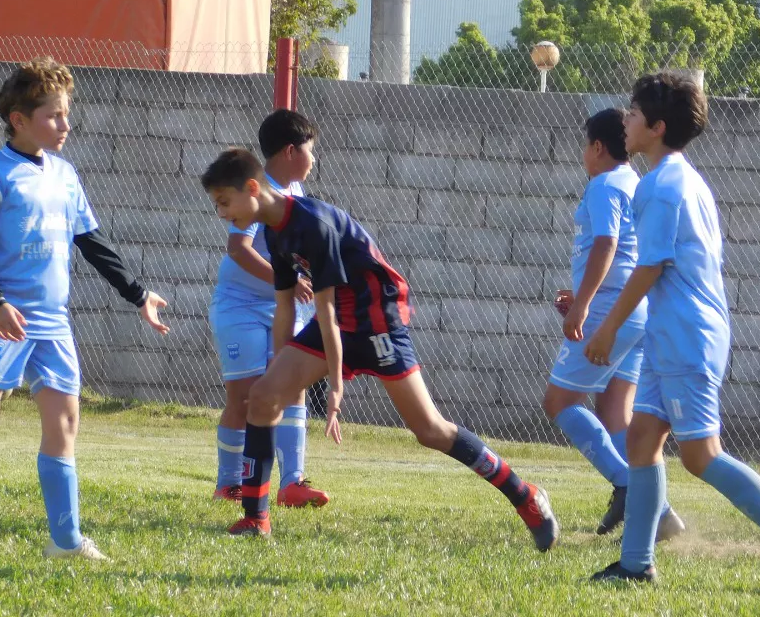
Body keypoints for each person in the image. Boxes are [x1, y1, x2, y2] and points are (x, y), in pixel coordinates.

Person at [200, 146, 559, 548]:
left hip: (376, 320)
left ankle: (525, 496)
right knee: (263, 397)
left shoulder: (312, 223)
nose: (222, 214)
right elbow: (285, 306)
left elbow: (330, 313)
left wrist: (334, 387)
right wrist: (282, 372)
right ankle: (255, 519)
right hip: (335, 321)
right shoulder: (272, 229)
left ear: (252, 188)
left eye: (224, 203)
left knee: (430, 430)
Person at [0, 58, 170, 560]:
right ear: (19, 120)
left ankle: (65, 542)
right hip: (1, 319)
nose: (65, 125)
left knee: (65, 423)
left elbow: (92, 243)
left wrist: (139, 295)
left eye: (67, 115)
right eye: (54, 116)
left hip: (52, 322)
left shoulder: (66, 176)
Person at [584, 72, 760, 589]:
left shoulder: (661, 187)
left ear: (655, 127)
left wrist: (607, 329)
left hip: (685, 337)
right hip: (672, 334)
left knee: (701, 456)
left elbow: (649, 267)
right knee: (642, 438)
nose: (624, 120)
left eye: (633, 113)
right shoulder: (685, 178)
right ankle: (636, 565)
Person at [543, 107, 684, 540]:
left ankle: (626, 486)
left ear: (597, 148)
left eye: (586, 147)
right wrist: (583, 292)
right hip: (635, 312)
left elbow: (607, 243)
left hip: (608, 313)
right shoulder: (636, 184)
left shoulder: (604, 185)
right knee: (615, 416)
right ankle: (658, 513)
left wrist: (583, 304)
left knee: (558, 402)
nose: (584, 155)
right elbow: (624, 255)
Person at [209, 110, 327, 509]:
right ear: (291, 151)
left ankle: (292, 482)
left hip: (284, 304)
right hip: (240, 305)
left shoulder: (299, 196)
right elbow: (238, 249)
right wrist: (289, 282)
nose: (314, 159)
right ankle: (229, 482)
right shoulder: (256, 190)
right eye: (311, 150)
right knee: (244, 397)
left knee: (291, 384)